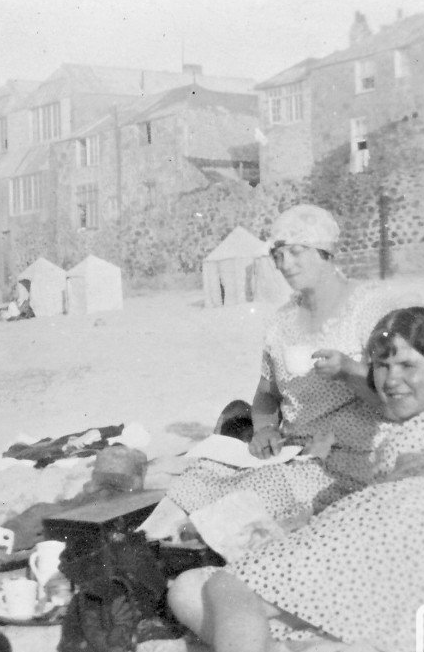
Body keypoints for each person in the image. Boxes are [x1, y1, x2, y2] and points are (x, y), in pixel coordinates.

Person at [170, 307, 424, 652]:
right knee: (187, 589)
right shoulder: (386, 434)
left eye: (407, 365)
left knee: (227, 587)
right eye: (382, 366)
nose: (392, 379)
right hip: (399, 567)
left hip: (422, 549)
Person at [167, 204, 403, 525]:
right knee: (193, 480)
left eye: (296, 252)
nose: (285, 264)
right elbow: (267, 394)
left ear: (325, 252)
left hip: (348, 456)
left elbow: (399, 404)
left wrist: (351, 372)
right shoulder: (282, 321)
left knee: (253, 495)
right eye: (278, 255)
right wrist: (263, 429)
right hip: (292, 453)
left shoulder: (370, 309)